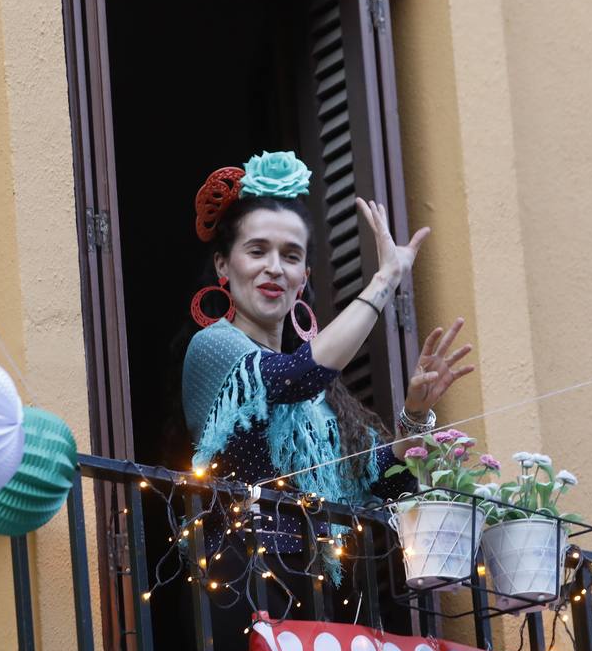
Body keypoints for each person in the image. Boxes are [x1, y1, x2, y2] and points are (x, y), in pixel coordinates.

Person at [181, 151, 475, 516]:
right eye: (257, 251)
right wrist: (385, 279)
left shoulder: (322, 398)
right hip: (244, 569)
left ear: (303, 278)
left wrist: (415, 413)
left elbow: (386, 480)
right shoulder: (213, 346)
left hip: (314, 570)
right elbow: (295, 378)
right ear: (223, 265)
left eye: (290, 256)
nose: (274, 268)